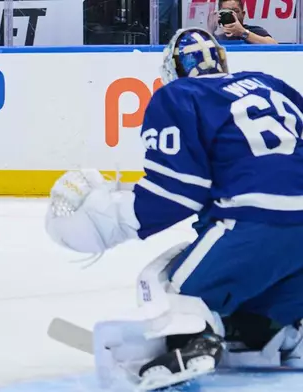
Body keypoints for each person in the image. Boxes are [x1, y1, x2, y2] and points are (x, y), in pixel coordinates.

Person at [45, 27, 303, 390]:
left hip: (255, 221)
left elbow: (177, 193)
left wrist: (111, 220)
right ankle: (279, 331)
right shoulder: (271, 85)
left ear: (174, 69)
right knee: (250, 296)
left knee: (167, 286)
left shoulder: (181, 95)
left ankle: (189, 342)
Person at [207, 0, 276, 44]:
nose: (231, 15)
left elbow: (274, 45)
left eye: (235, 11)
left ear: (243, 14)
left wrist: (243, 33)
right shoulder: (217, 37)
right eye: (225, 12)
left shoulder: (255, 31)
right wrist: (210, 31)